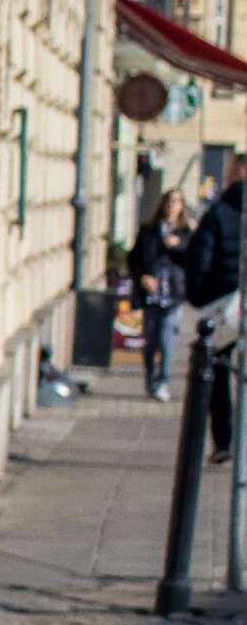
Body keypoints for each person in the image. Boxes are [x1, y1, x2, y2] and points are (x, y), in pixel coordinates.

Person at [181, 155, 247, 462]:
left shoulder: (219, 213)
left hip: (226, 304)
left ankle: (225, 440)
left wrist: (198, 296)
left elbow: (200, 259)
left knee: (216, 364)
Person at [132, 189, 190, 400]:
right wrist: (142, 278)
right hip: (152, 295)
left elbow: (192, 260)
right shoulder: (148, 231)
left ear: (182, 206)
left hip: (174, 295)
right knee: (150, 341)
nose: (171, 205)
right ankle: (151, 374)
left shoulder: (185, 233)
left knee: (168, 339)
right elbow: (135, 259)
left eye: (176, 202)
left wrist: (179, 246)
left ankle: (164, 381)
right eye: (168, 201)